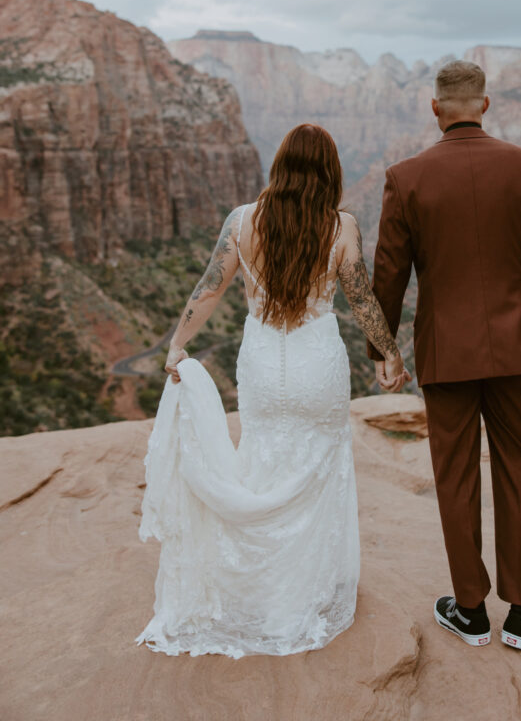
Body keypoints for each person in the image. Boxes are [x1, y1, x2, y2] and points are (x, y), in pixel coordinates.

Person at [136, 123, 410, 657]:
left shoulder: (242, 222)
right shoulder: (341, 226)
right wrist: (390, 353)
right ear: (330, 171)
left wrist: (176, 344)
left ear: (278, 166)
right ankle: (302, 593)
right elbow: (361, 299)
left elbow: (209, 288)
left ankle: (255, 589)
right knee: (318, 471)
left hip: (262, 363)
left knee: (262, 462)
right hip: (317, 364)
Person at [367, 60, 521, 651]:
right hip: (517, 350)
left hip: (446, 355)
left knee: (455, 475)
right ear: (485, 105)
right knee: (520, 470)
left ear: (435, 108)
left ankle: (469, 610)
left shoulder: (405, 178)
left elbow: (388, 277)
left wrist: (384, 352)